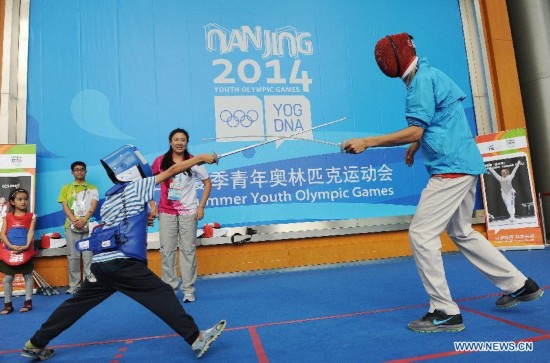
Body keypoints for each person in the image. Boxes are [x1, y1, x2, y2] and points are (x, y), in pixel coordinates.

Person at [344, 32, 543, 333]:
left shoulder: (420, 83)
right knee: (461, 231)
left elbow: (415, 130)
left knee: (421, 234)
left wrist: (368, 142)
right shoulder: (429, 74)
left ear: (392, 58)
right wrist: (415, 146)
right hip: (466, 163)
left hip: (450, 168)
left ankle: (444, 311)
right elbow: (439, 121)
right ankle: (520, 284)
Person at [21, 145, 224, 361]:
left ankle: (35, 343)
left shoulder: (110, 199)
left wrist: (142, 218)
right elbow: (173, 171)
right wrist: (202, 158)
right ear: (132, 170)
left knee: (74, 306)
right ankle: (196, 338)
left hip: (100, 266)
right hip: (123, 264)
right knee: (163, 294)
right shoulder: (137, 187)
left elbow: (117, 223)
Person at [151, 128, 212, 303]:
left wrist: (201, 206)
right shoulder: (160, 161)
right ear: (170, 142)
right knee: (167, 251)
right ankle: (170, 288)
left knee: (188, 251)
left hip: (188, 213)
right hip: (166, 212)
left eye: (183, 140)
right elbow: (147, 184)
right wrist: (152, 204)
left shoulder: (193, 161)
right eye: (176, 139)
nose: (179, 143)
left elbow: (207, 183)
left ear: (187, 142)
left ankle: (188, 290)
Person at [58, 161, 99, 294]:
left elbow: (93, 205)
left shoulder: (93, 188)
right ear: (72, 172)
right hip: (71, 225)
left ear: (85, 171)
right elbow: (65, 206)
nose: (79, 172)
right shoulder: (66, 188)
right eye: (76, 170)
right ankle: (74, 285)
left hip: (88, 225)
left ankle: (89, 284)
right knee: (73, 257)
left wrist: (84, 219)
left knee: (88, 256)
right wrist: (75, 220)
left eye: (82, 169)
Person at [0, 189, 37, 315]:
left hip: (25, 251)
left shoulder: (32, 216)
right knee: (8, 278)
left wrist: (26, 245)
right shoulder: (7, 217)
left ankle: (28, 302)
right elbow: (3, 234)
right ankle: (8, 304)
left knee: (27, 276)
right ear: (12, 202)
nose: (23, 202)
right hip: (9, 252)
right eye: (20, 199)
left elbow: (31, 232)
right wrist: (10, 245)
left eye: (25, 199)